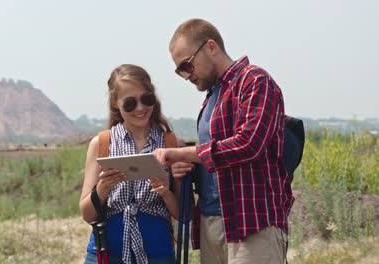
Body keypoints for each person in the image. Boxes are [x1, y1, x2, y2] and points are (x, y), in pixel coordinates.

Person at [153, 18, 294, 264]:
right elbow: (215, 163)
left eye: (187, 65)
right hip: (212, 224)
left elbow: (247, 146)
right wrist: (188, 168)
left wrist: (180, 154)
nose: (186, 76)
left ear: (211, 47)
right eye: (180, 71)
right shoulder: (211, 99)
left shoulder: (255, 81)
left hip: (252, 224)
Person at [80, 64, 181, 264]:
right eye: (130, 103)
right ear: (115, 104)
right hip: (105, 254)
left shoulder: (171, 143)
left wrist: (166, 193)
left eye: (146, 99)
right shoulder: (101, 144)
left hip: (157, 253)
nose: (141, 108)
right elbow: (86, 213)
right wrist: (102, 188)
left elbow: (185, 215)